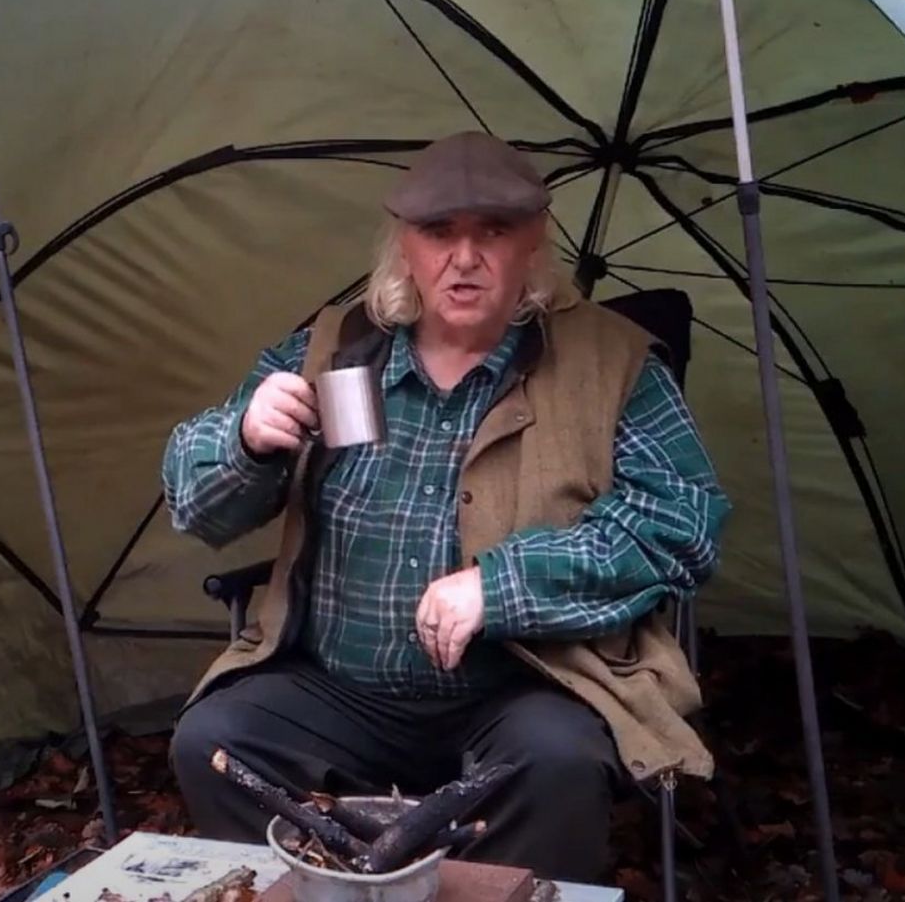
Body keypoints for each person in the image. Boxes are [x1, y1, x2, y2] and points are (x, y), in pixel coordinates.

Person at [160, 131, 731, 882]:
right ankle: (338, 895)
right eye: (439, 232)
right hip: (336, 689)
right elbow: (197, 503)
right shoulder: (330, 348)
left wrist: (503, 584)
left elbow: (683, 519)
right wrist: (244, 440)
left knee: (557, 759)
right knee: (215, 739)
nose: (465, 257)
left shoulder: (613, 362)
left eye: (492, 231)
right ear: (405, 246)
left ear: (534, 241)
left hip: (527, 686)